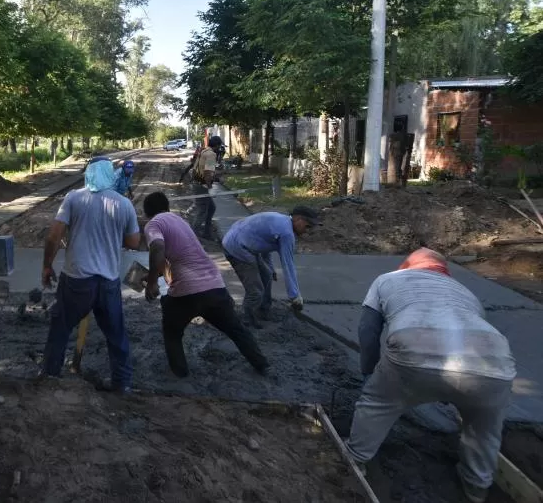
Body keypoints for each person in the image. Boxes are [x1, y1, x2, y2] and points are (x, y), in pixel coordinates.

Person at [346, 248, 516, 503]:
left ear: (406, 266)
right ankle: (476, 487)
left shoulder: (388, 279)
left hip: (413, 352)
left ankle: (355, 460)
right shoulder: (465, 292)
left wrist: (369, 373)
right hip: (496, 364)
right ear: (443, 271)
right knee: (483, 431)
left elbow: (368, 329)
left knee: (377, 404)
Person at [41, 156, 141, 392]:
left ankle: (49, 376)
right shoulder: (123, 204)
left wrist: (47, 265)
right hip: (108, 282)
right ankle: (122, 384)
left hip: (76, 280)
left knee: (61, 328)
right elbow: (134, 242)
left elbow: (53, 236)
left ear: (88, 173)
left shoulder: (74, 198)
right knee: (116, 334)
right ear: (110, 174)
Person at [142, 192, 269, 376]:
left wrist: (152, 283)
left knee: (172, 333)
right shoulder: (179, 222)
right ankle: (262, 364)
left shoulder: (154, 224)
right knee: (236, 329)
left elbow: (157, 248)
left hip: (186, 294)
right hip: (214, 287)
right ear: (167, 207)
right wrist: (151, 274)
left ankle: (180, 374)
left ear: (147, 213)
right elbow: (179, 259)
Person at [221, 206, 318, 328]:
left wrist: (270, 268)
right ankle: (246, 320)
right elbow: (288, 265)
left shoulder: (282, 222)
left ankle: (263, 311)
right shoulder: (286, 233)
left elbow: (264, 244)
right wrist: (295, 296)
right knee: (256, 291)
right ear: (298, 219)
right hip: (236, 248)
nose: (307, 231)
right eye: (307, 226)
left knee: (267, 275)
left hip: (243, 241)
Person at [188, 135, 224, 240]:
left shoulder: (203, 151)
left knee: (211, 208)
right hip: (201, 186)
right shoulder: (211, 154)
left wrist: (216, 176)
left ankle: (206, 233)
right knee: (202, 211)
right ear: (216, 145)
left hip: (197, 183)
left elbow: (198, 169)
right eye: (219, 146)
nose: (219, 148)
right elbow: (208, 173)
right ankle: (192, 236)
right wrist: (210, 187)